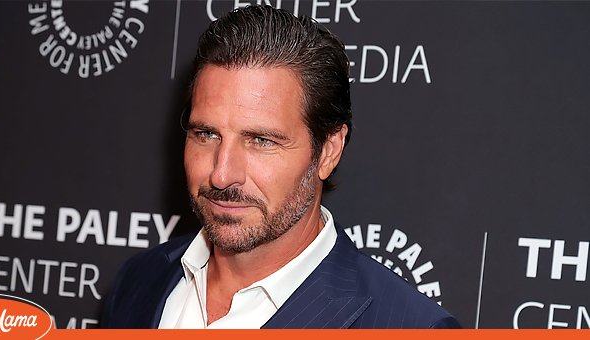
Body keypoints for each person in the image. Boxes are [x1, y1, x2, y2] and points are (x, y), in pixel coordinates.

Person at [101, 5, 460, 329]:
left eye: (261, 141)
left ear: (328, 151)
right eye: (206, 134)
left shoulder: (406, 328)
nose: (222, 174)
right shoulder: (141, 280)